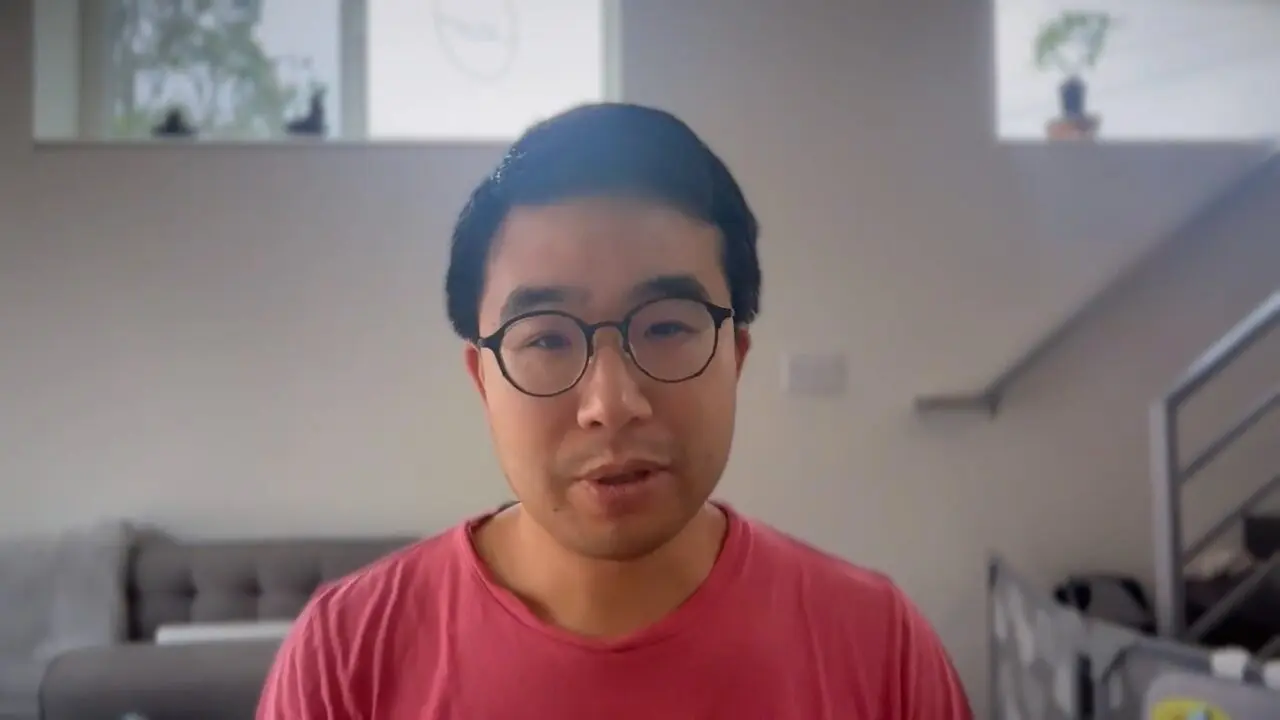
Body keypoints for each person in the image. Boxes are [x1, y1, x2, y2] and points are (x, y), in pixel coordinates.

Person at [257, 102, 972, 719]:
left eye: (666, 327)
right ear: (483, 379)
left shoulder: (878, 645)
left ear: (737, 357)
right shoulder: (346, 659)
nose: (611, 405)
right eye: (545, 340)